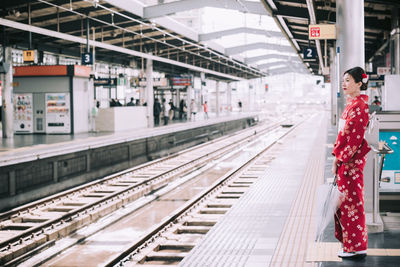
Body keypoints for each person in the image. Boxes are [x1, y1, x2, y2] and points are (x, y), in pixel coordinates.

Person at [332, 67, 371, 259]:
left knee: (353, 205)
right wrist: (337, 159)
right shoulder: (352, 105)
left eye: (348, 80)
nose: (344, 84)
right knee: (346, 205)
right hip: (346, 163)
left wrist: (340, 158)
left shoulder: (360, 107)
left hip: (351, 164)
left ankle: (356, 247)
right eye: (343, 80)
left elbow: (354, 140)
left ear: (359, 83)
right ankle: (350, 245)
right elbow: (343, 137)